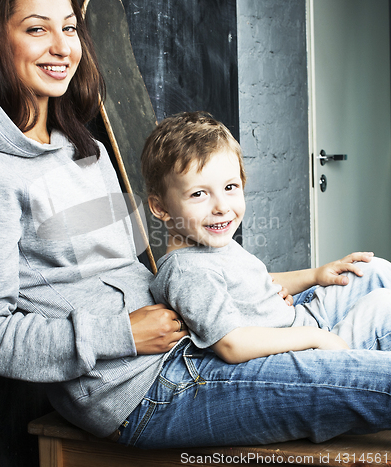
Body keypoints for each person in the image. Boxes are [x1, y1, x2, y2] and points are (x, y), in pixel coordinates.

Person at [0, 0, 391, 451]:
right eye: (36, 29)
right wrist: (121, 334)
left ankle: (343, 369)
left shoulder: (82, 149)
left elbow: (149, 266)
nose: (63, 46)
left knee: (374, 278)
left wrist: (251, 297)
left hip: (193, 333)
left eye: (69, 28)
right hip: (143, 388)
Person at [141, 111, 391, 365]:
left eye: (230, 187)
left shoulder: (211, 244)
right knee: (384, 310)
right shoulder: (188, 271)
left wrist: (316, 275)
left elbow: (253, 281)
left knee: (371, 269)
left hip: (302, 321)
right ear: (160, 208)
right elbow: (232, 344)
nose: (222, 207)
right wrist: (314, 337)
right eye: (198, 194)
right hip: (302, 350)